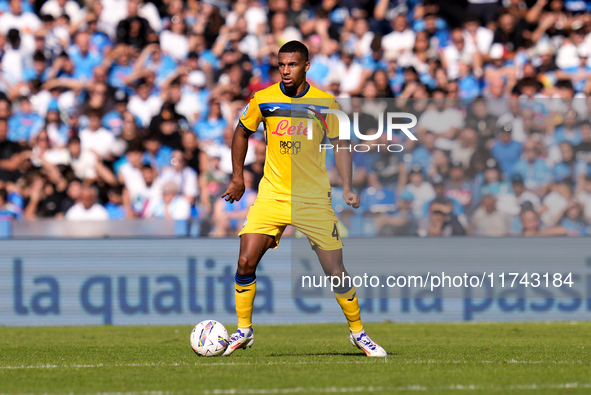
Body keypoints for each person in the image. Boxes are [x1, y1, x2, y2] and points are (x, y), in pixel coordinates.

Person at [221, 41, 386, 357]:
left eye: (292, 65)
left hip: (313, 199)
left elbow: (341, 144)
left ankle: (358, 333)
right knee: (245, 260)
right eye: (281, 65)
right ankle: (244, 330)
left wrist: (348, 186)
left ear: (306, 66)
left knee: (335, 271)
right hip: (273, 195)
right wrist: (237, 176)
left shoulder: (326, 103)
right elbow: (241, 132)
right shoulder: (264, 99)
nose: (285, 70)